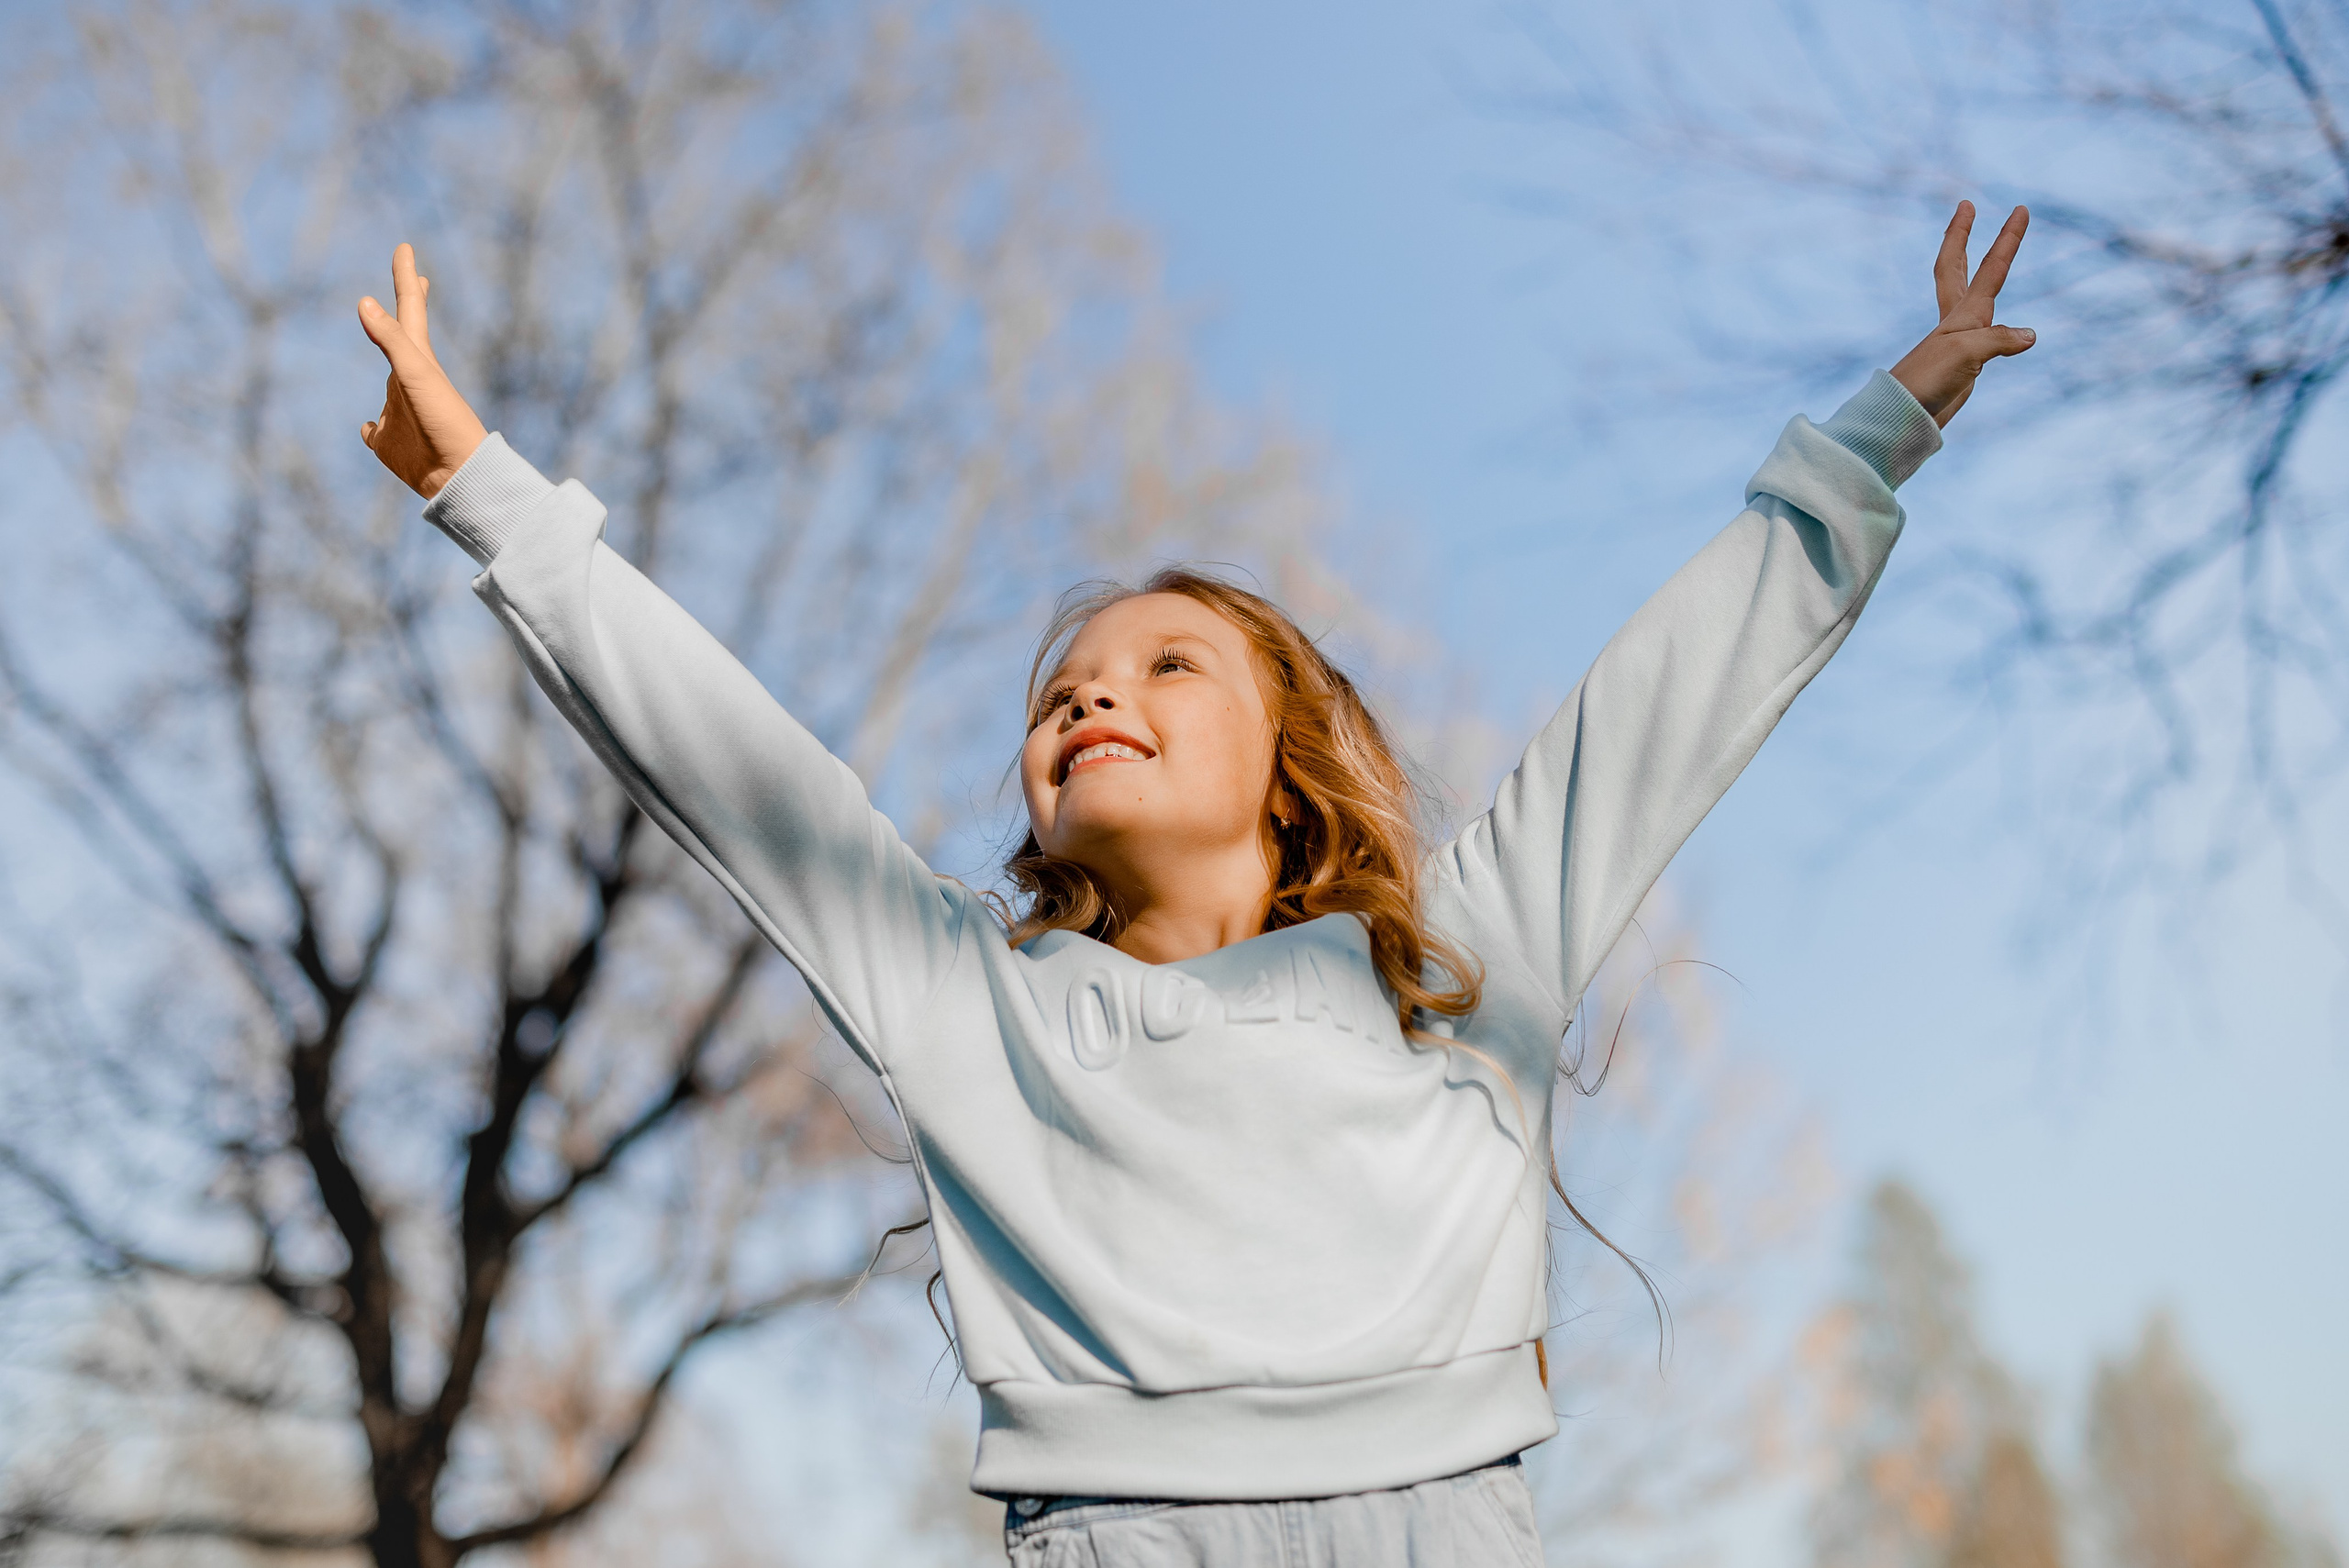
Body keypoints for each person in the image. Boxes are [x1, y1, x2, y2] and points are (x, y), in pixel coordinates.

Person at [356, 202, 2032, 1567]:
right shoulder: (971, 1000)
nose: (1093, 696)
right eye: (1061, 688)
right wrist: (486, 492)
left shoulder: (1454, 959)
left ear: (1287, 761)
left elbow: (1667, 700)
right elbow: (732, 761)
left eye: (1169, 667)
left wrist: (1886, 425)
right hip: (1119, 1531)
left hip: (1442, 1519)